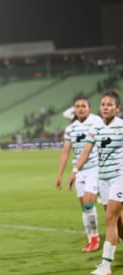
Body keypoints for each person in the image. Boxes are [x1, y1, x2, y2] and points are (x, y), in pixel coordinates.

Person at [69, 90, 123, 275]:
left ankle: (106, 265)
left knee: (110, 219)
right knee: (119, 223)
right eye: (103, 104)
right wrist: (75, 170)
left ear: (117, 108)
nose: (106, 107)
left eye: (110, 104)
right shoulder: (96, 128)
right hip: (104, 179)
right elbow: (85, 152)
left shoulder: (122, 127)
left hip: (120, 178)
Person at [55, 95, 103, 252]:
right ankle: (91, 238)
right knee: (85, 207)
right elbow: (65, 152)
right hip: (79, 171)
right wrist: (60, 175)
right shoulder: (71, 128)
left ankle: (95, 239)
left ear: (90, 108)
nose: (80, 109)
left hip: (95, 168)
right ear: (74, 110)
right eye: (77, 106)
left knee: (89, 202)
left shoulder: (96, 121)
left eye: (84, 106)